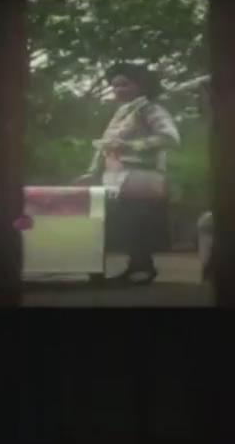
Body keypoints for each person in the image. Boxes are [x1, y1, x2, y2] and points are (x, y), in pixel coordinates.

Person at [73, 63, 181, 284]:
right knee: (122, 223)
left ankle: (142, 269)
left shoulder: (150, 109)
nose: (118, 90)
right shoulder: (122, 112)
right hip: (116, 177)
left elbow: (170, 138)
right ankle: (132, 268)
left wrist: (133, 146)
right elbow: (106, 147)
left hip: (141, 176)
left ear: (140, 85)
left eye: (124, 84)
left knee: (138, 222)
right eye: (115, 86)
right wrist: (92, 171)